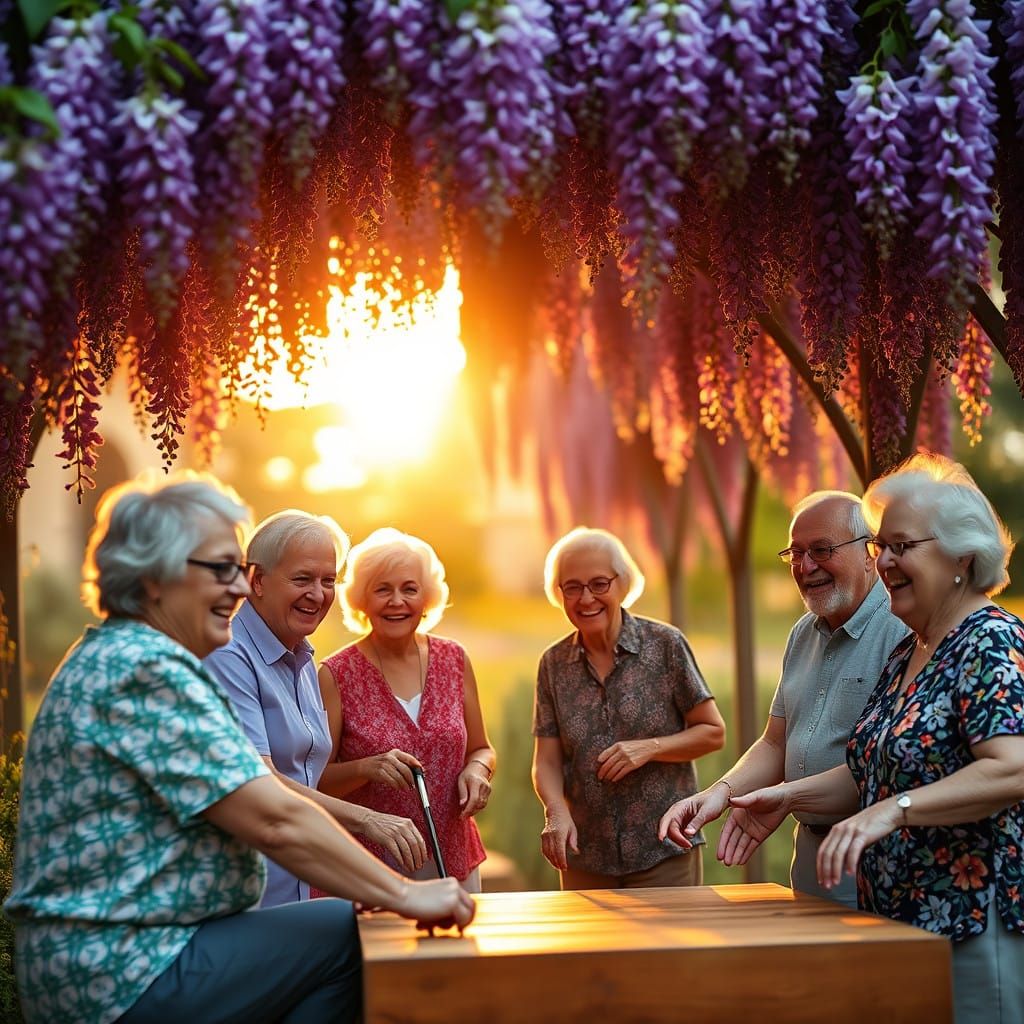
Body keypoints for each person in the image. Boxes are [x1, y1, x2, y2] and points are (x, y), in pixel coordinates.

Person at [4, 475, 474, 1024]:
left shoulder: (132, 656)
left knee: (341, 925)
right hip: (120, 972)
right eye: (223, 569)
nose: (240, 589)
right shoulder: (142, 670)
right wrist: (404, 893)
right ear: (157, 578)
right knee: (352, 936)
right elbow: (273, 814)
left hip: (142, 952)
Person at [717, 454, 1024, 1024]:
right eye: (881, 546)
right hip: (899, 922)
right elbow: (870, 775)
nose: (883, 561)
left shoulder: (991, 639)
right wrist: (786, 798)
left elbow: (1013, 768)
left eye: (900, 546)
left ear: (961, 556)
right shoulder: (913, 650)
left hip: (970, 922)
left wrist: (894, 812)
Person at [659, 490, 908, 906]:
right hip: (810, 852)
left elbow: (887, 767)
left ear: (870, 553)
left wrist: (786, 796)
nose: (806, 566)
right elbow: (775, 741)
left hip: (875, 855)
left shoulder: (900, 631)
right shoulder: (802, 633)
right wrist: (721, 791)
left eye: (822, 550)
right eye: (795, 553)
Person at [205, 509, 427, 907]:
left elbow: (310, 775)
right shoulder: (229, 653)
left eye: (328, 581)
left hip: (304, 886)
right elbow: (261, 779)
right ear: (256, 580)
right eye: (302, 579)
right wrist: (369, 821)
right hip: (252, 897)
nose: (318, 594)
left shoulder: (303, 656)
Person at [532, 527, 726, 889]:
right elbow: (546, 760)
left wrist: (648, 748)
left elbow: (713, 732)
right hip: (584, 855)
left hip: (663, 848)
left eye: (599, 584)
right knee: (591, 949)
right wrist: (555, 812)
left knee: (666, 947)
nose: (586, 598)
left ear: (623, 584)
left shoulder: (665, 645)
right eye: (572, 587)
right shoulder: (553, 664)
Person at [318, 527, 494, 891]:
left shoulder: (454, 659)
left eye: (409, 589)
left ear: (426, 598)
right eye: (382, 589)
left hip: (455, 861)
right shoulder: (335, 674)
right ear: (361, 600)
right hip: (371, 870)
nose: (396, 601)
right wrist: (367, 768)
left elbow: (481, 748)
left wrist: (477, 771)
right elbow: (316, 782)